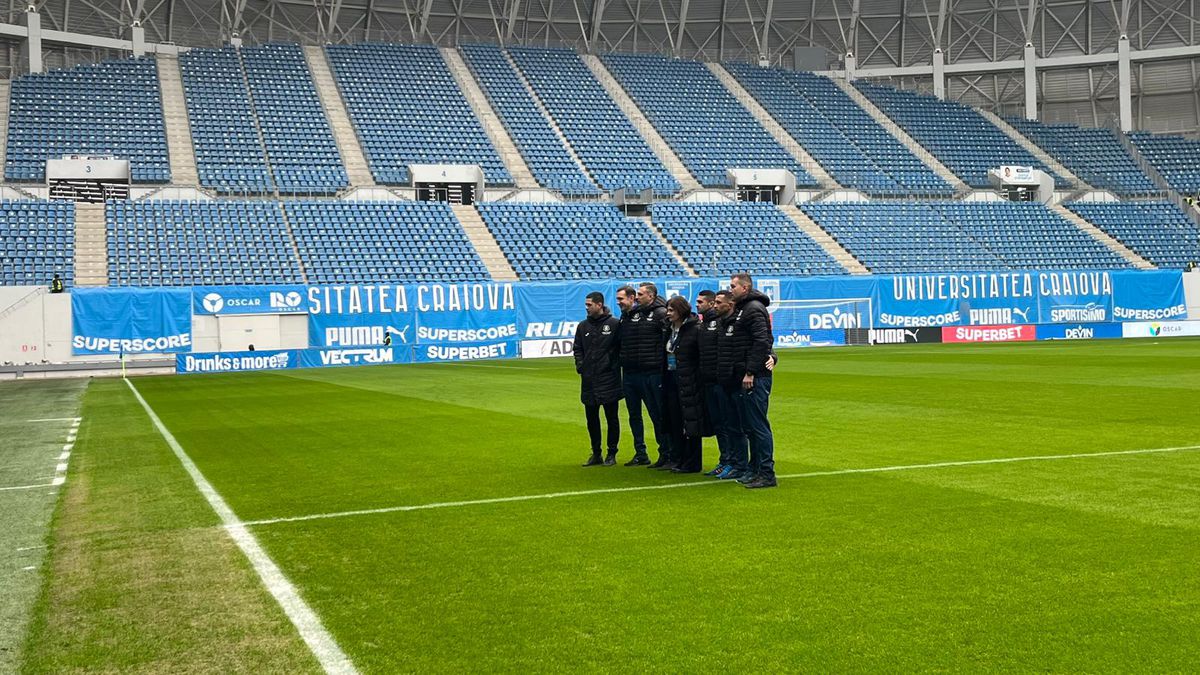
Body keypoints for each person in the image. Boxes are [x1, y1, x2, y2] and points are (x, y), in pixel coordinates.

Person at [721, 273, 777, 489]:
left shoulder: (753, 308)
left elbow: (762, 341)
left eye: (733, 286)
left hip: (755, 377)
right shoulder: (744, 308)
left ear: (745, 288)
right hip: (745, 374)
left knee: (758, 426)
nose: (730, 289)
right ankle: (754, 469)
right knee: (751, 426)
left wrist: (751, 371)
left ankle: (766, 473)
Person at [616, 283, 669, 467]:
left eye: (640, 294)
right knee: (634, 416)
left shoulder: (660, 313)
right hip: (630, 373)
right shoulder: (626, 316)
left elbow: (666, 341)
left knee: (657, 414)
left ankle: (665, 453)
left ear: (650, 296)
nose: (638, 297)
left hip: (650, 373)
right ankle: (641, 453)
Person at [574, 291, 623, 466]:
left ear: (599, 305)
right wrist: (581, 366)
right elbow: (577, 348)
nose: (586, 308)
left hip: (609, 379)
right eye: (586, 304)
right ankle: (596, 453)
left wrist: (612, 365)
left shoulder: (614, 324)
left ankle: (612, 453)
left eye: (589, 305)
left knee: (612, 418)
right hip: (589, 380)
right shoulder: (583, 326)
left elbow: (620, 348)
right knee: (592, 419)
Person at [660, 295, 705, 473]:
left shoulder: (695, 329)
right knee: (675, 421)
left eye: (671, 310)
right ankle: (678, 458)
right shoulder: (669, 329)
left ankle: (692, 462)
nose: (668, 313)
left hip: (689, 381)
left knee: (691, 422)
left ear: (680, 311)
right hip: (672, 379)